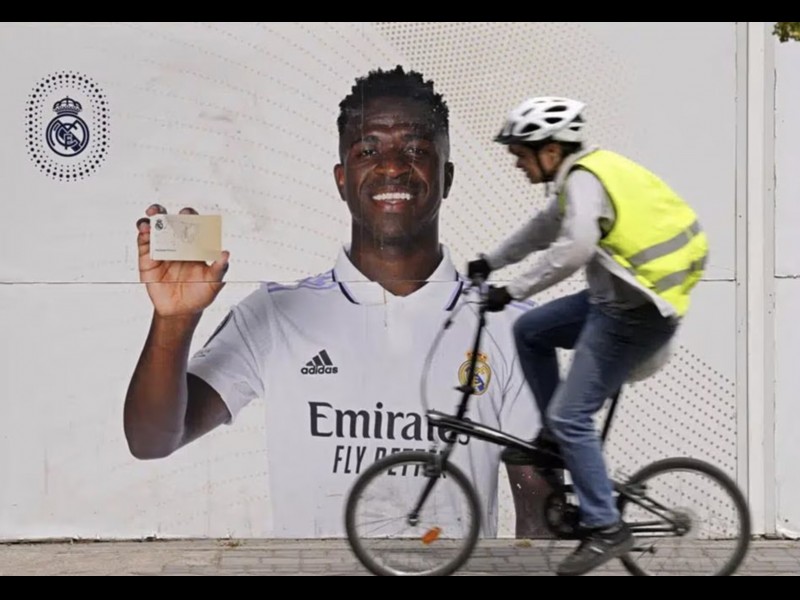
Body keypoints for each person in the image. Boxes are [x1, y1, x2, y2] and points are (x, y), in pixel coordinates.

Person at [125, 66, 554, 539]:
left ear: (446, 177)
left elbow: (542, 521)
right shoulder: (273, 315)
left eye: (415, 149)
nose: (392, 166)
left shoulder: (510, 329)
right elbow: (151, 440)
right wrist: (175, 320)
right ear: (342, 179)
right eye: (368, 150)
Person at [467, 96, 709, 575]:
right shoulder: (578, 180)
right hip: (611, 301)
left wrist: (512, 289)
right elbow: (540, 230)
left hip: (637, 314)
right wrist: (491, 261)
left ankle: (605, 526)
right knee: (530, 330)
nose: (517, 164)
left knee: (571, 415)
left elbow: (573, 250)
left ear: (551, 150)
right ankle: (555, 440)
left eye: (521, 154)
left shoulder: (585, 180)